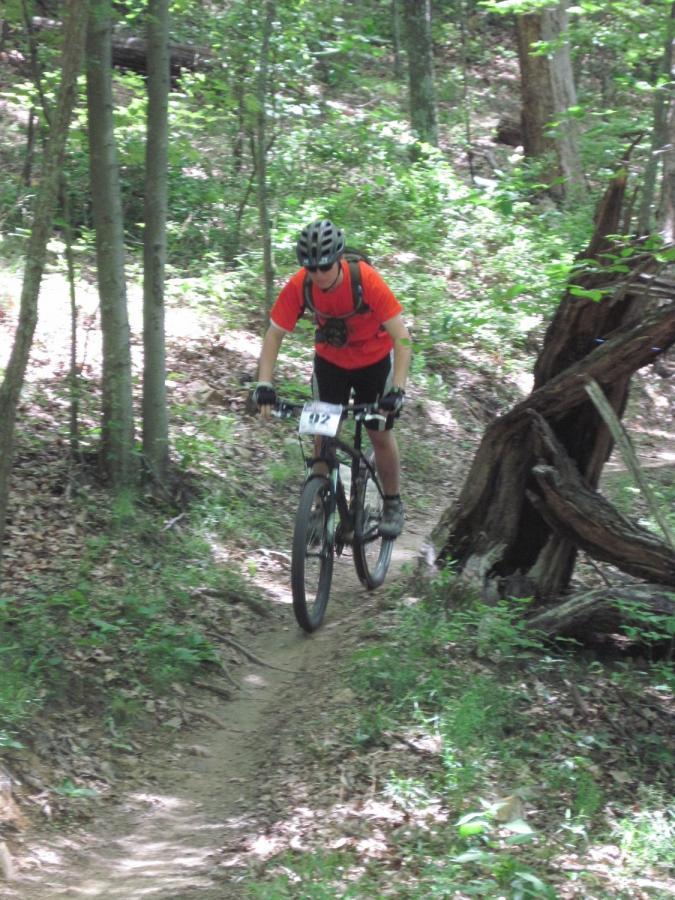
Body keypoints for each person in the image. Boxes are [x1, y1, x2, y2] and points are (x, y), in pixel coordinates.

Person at [253, 218, 412, 538]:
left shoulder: (366, 280)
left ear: (338, 259)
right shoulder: (302, 284)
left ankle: (393, 502)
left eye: (324, 266)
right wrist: (264, 383)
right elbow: (274, 334)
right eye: (311, 268)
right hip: (331, 363)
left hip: (375, 362)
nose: (318, 274)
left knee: (379, 431)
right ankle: (321, 505)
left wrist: (398, 389)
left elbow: (403, 338)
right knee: (321, 433)